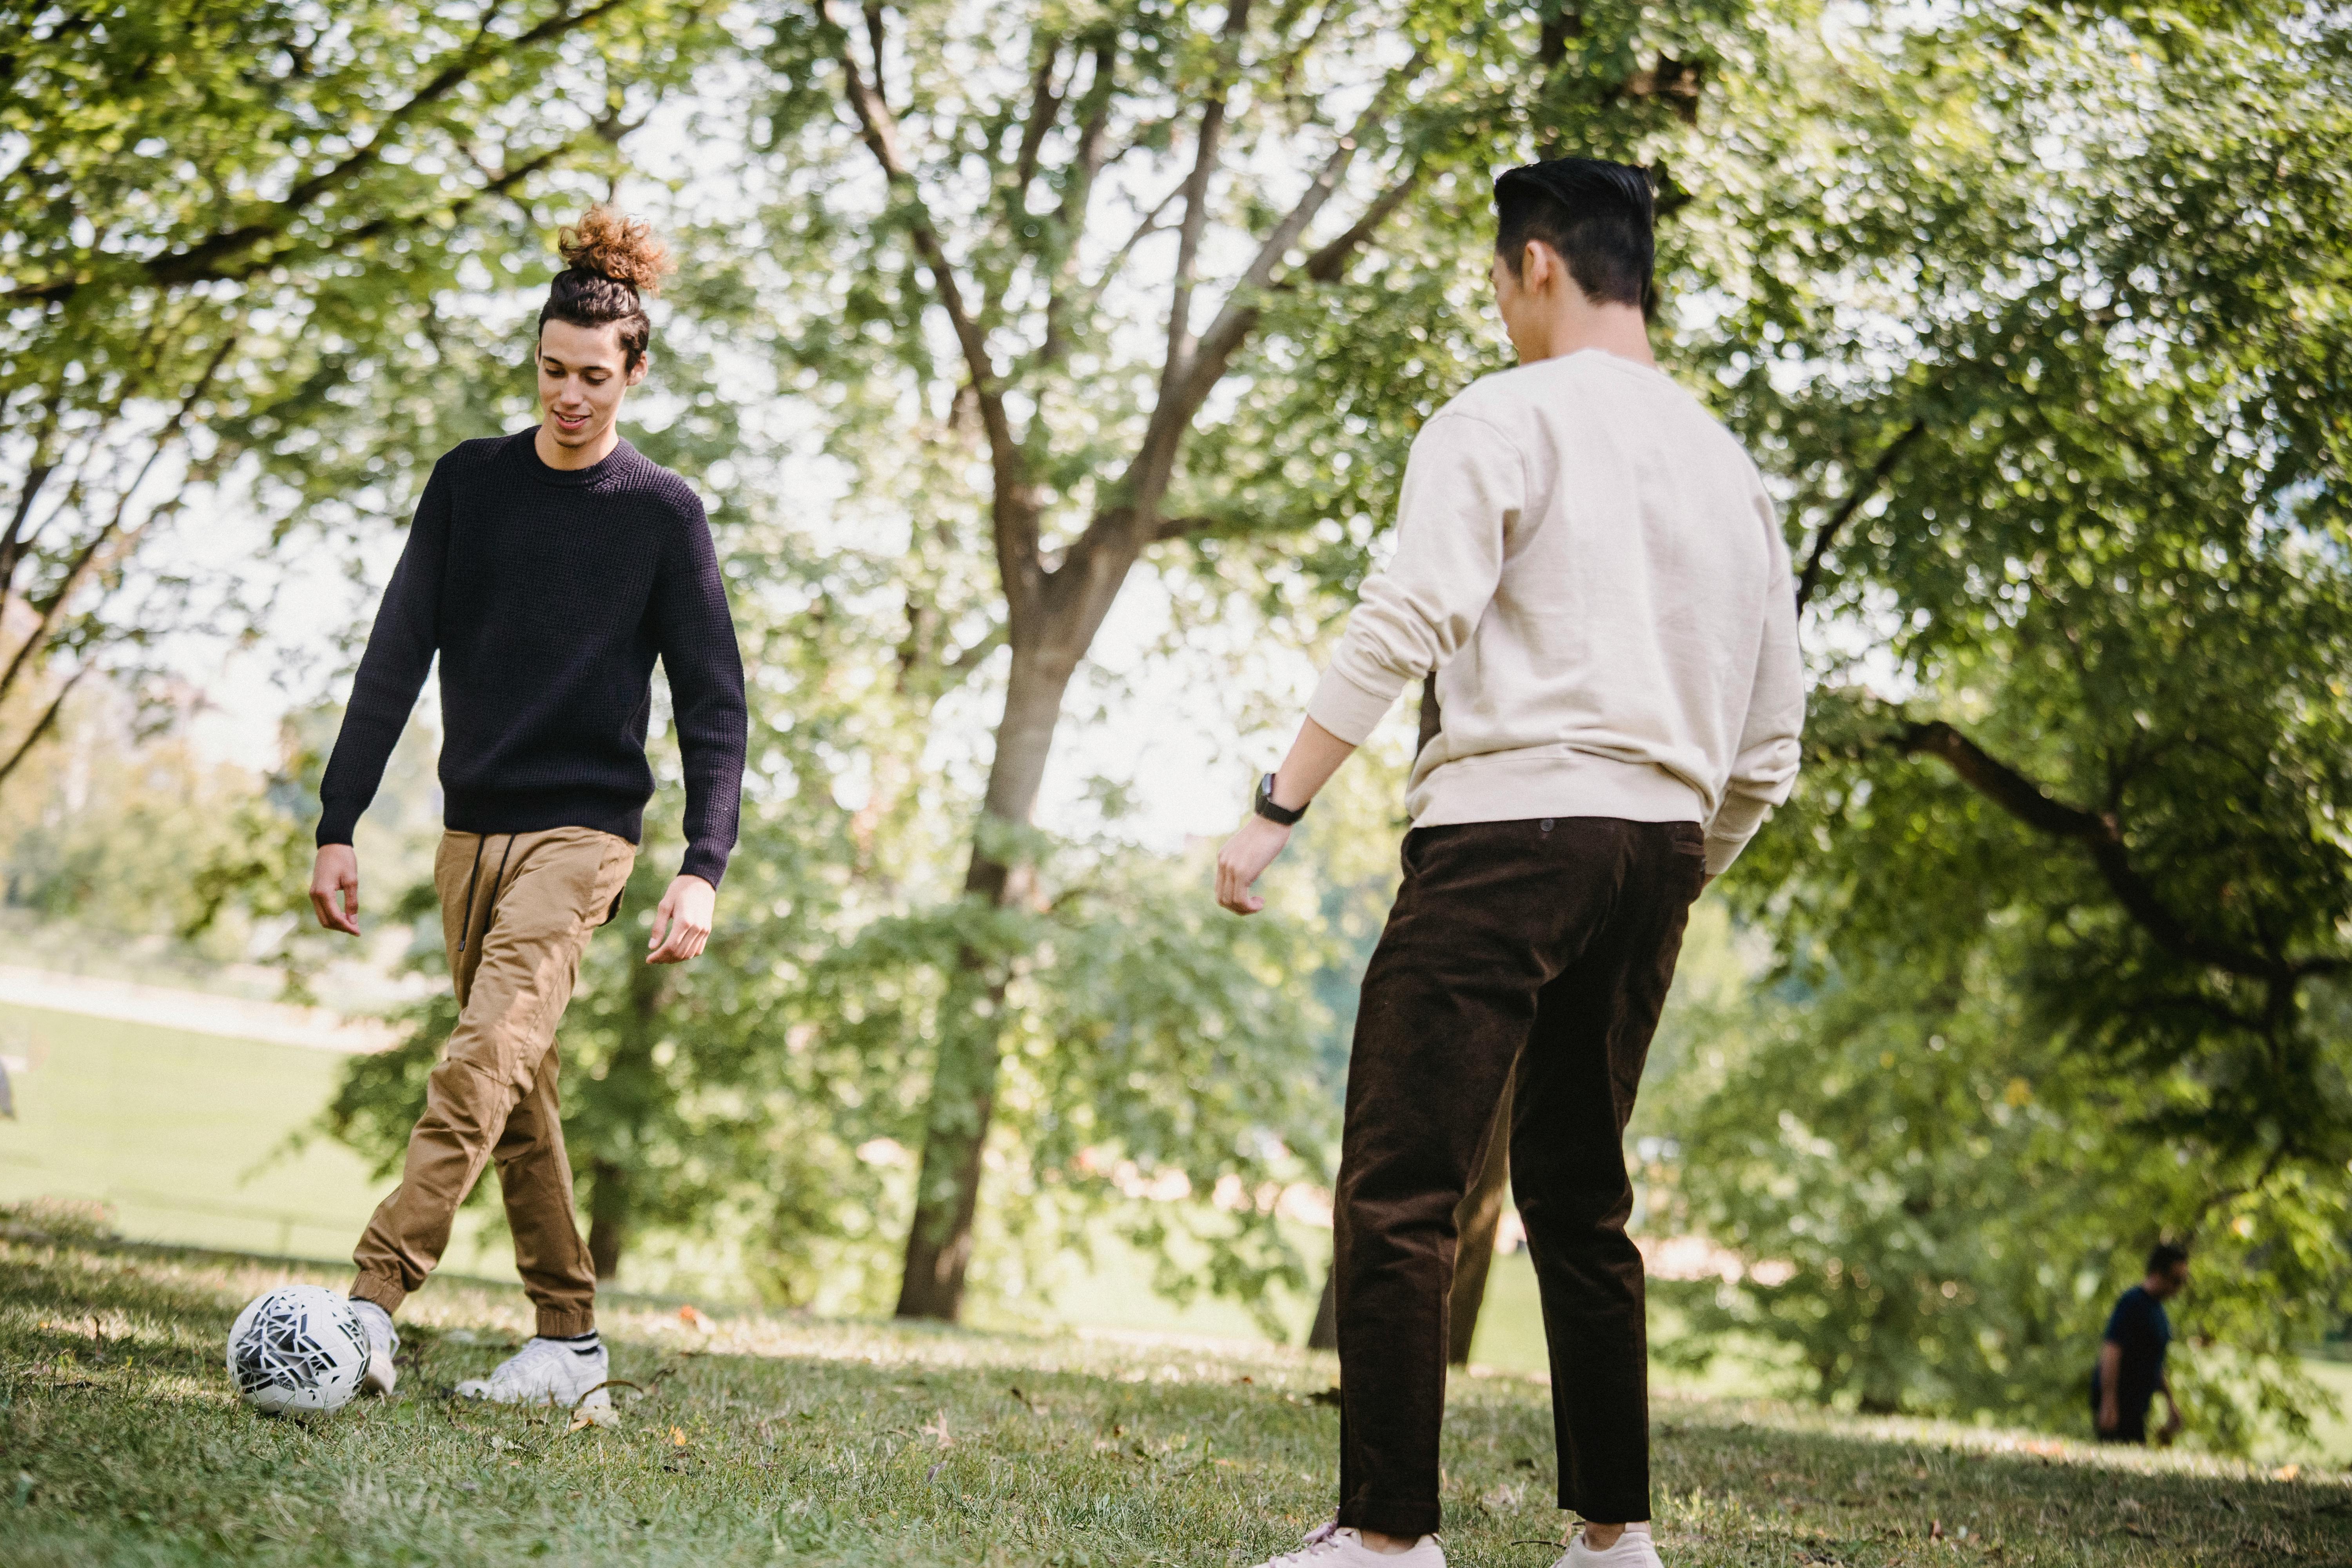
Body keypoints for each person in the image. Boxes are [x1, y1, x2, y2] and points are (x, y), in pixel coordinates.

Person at [1215, 157, 1804, 1568]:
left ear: (1534, 264)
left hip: (1502, 834)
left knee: (1402, 1179)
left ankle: (1386, 1536)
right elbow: (1770, 743)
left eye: (1495, 281)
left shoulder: (1499, 417)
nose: (1496, 308)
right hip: (1655, 845)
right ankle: (1613, 1535)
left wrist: (1276, 803)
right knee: (1582, 1195)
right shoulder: (1731, 470)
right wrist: (1670, 869)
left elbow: (1406, 610)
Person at [305, 208, 748, 1418]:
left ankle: (366, 1307)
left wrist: (703, 862)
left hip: (584, 834)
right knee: (517, 1086)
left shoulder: (663, 515)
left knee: (481, 1057)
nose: (569, 397)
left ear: (635, 373)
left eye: (594, 378)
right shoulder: (470, 485)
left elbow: (714, 705)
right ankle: (570, 1341)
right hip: (469, 833)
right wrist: (339, 818)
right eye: (552, 371)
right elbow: (393, 656)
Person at [2092, 1243, 2189, 1445]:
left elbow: (2155, 1362)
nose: (2179, 1288)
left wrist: (2170, 1402)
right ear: (2157, 1273)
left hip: (2139, 1407)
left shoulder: (2159, 1313)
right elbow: (2112, 1351)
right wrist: (2109, 1402)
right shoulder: (2132, 1303)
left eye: (2184, 1281)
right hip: (2120, 1404)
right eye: (2176, 1280)